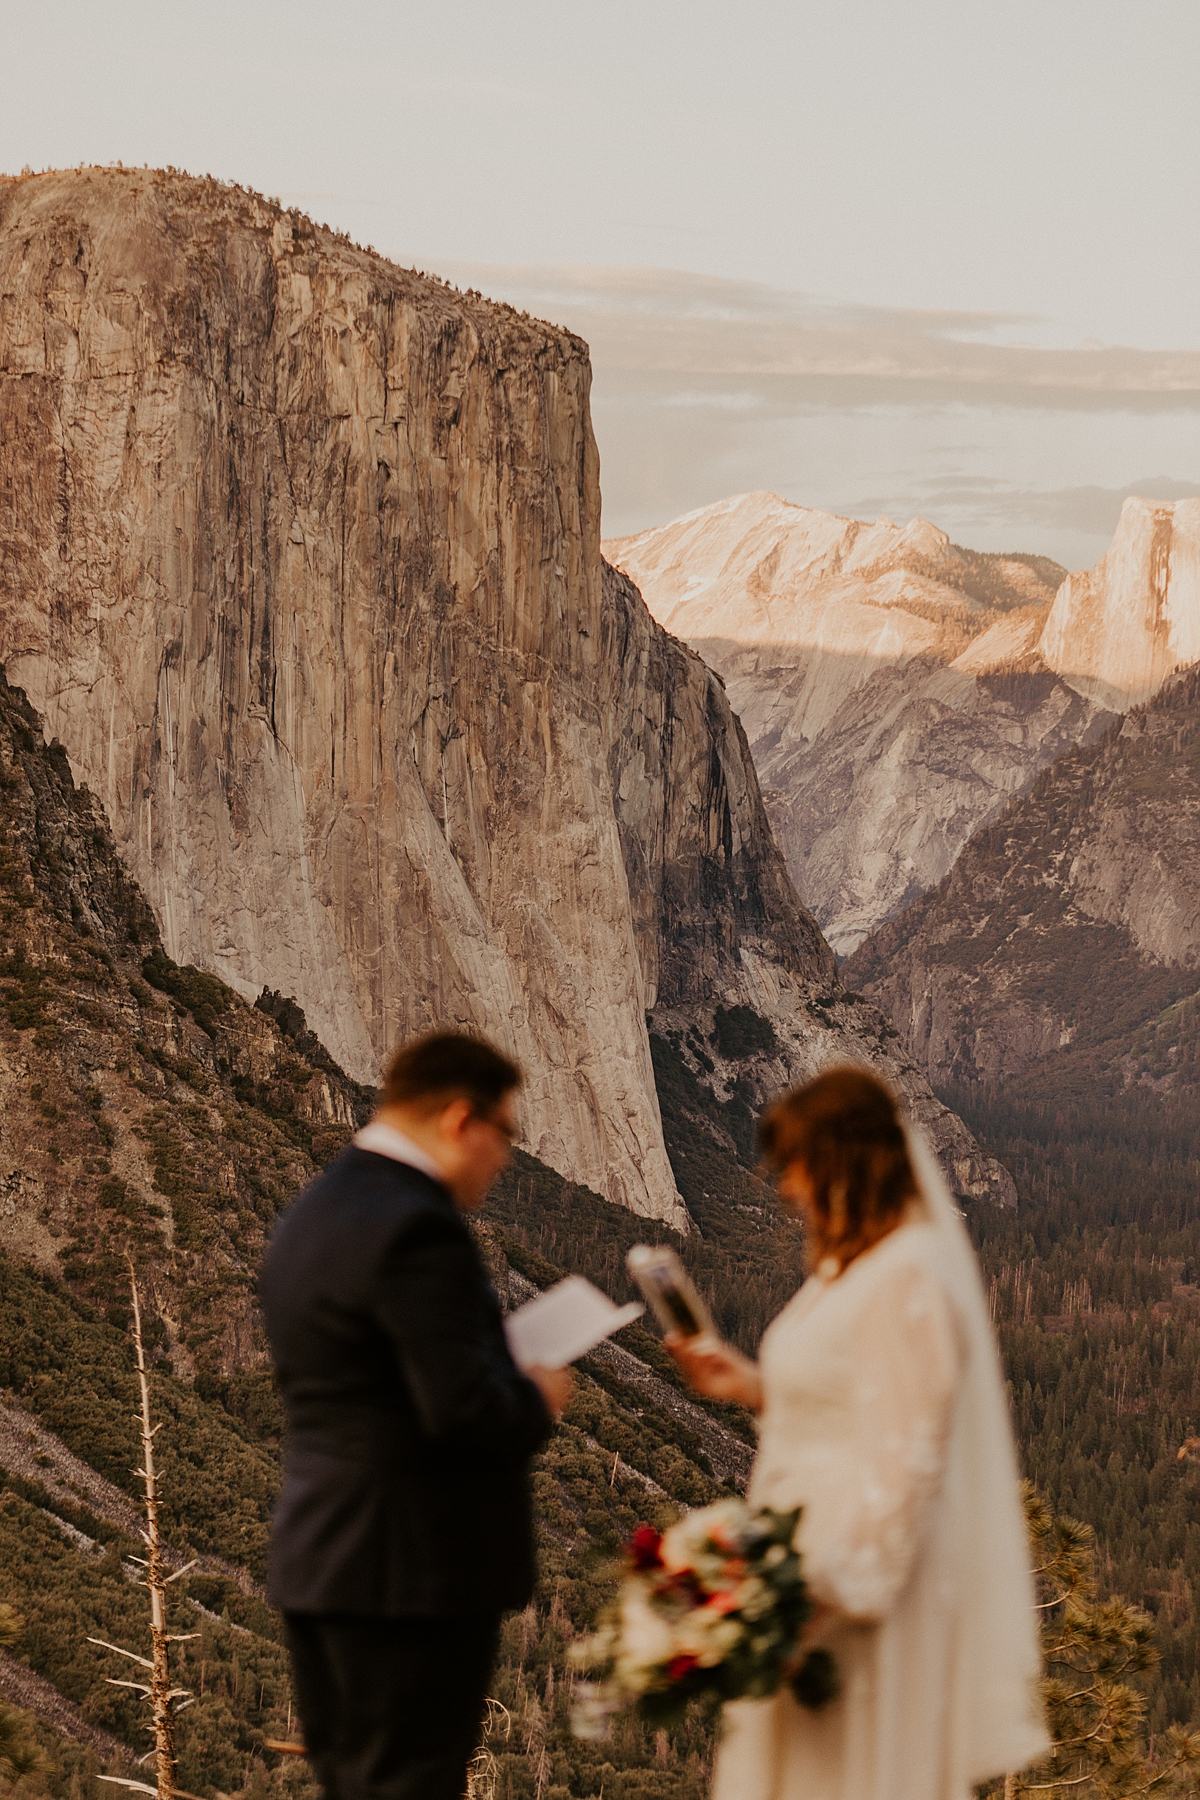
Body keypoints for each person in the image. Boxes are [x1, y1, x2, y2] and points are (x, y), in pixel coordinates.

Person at [669, 1065, 1049, 1800]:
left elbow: (908, 1459)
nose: (787, 1187)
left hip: (856, 1597)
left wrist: (801, 1603)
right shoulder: (853, 1268)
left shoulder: (909, 1277)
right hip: (811, 1571)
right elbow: (846, 1407)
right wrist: (747, 1384)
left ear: (849, 1160)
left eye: (800, 1164)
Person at [260, 1030, 571, 1800]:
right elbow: (463, 1411)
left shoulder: (315, 1212)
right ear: (461, 1120)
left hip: (323, 1563)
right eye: (505, 1137)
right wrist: (537, 1397)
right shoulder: (417, 1228)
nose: (504, 1161)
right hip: (409, 1577)